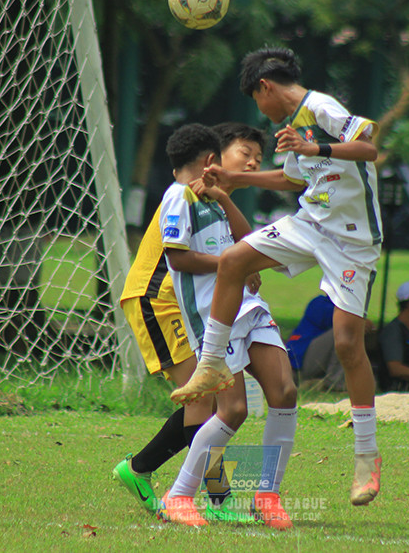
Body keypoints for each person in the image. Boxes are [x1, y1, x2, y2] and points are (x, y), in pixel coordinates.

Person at [170, 46, 383, 507]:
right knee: (233, 261)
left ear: (265, 88)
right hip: (309, 224)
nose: (257, 111)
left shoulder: (320, 108)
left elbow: (369, 146)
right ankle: (210, 366)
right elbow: (292, 182)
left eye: (255, 99)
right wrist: (236, 179)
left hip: (352, 239)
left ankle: (367, 457)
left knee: (348, 343)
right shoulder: (288, 130)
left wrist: (315, 147)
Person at [113, 123, 267, 524]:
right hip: (157, 301)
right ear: (214, 159)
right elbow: (179, 260)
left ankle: (142, 469)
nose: (251, 163)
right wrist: (234, 265)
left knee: (210, 400)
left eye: (258, 158)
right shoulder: (181, 197)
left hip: (180, 306)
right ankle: (218, 499)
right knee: (205, 399)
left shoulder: (215, 205)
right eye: (244, 153)